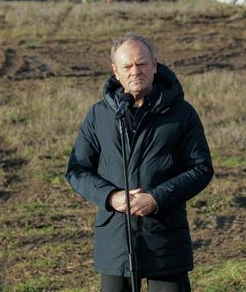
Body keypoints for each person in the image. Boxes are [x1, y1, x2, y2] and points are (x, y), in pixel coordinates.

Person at [67, 34, 213, 292]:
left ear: (155, 65)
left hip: (165, 240)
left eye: (142, 64)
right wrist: (112, 197)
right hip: (115, 241)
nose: (136, 71)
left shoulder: (182, 113)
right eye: (127, 66)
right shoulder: (99, 115)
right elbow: (77, 170)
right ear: (115, 71)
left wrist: (157, 198)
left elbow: (200, 168)